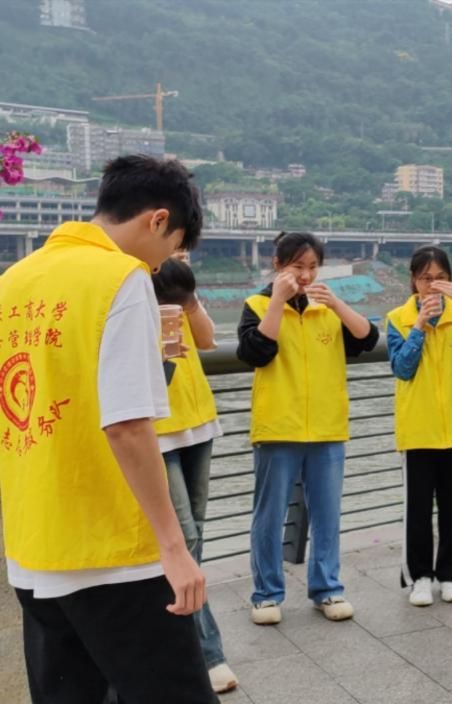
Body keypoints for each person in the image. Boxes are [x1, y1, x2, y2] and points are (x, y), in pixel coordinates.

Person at [0, 155, 215, 703]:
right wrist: (174, 548)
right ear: (158, 219)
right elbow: (126, 425)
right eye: (173, 245)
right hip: (114, 552)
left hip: (34, 548)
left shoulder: (15, 279)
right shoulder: (121, 277)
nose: (164, 262)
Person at [236, 231, 378, 625]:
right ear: (277, 265)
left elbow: (367, 338)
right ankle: (266, 595)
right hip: (278, 427)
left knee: (328, 514)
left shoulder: (326, 308)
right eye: (297, 266)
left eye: (313, 267)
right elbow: (255, 353)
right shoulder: (257, 304)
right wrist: (278, 302)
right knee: (269, 516)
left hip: (327, 427)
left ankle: (328, 588)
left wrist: (337, 303)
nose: (306, 275)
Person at [386, 246, 452, 607]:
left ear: (451, 279)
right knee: (417, 508)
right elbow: (402, 368)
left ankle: (450, 575)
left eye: (440, 278)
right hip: (418, 426)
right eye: (425, 278)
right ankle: (419, 577)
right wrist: (419, 326)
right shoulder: (397, 318)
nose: (432, 286)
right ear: (413, 281)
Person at [152, 256, 237, 694]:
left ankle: (178, 635)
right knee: (184, 538)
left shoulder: (179, 299)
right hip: (157, 433)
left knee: (195, 535)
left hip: (198, 423)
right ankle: (208, 652)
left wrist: (187, 295)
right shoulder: (131, 297)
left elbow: (206, 340)